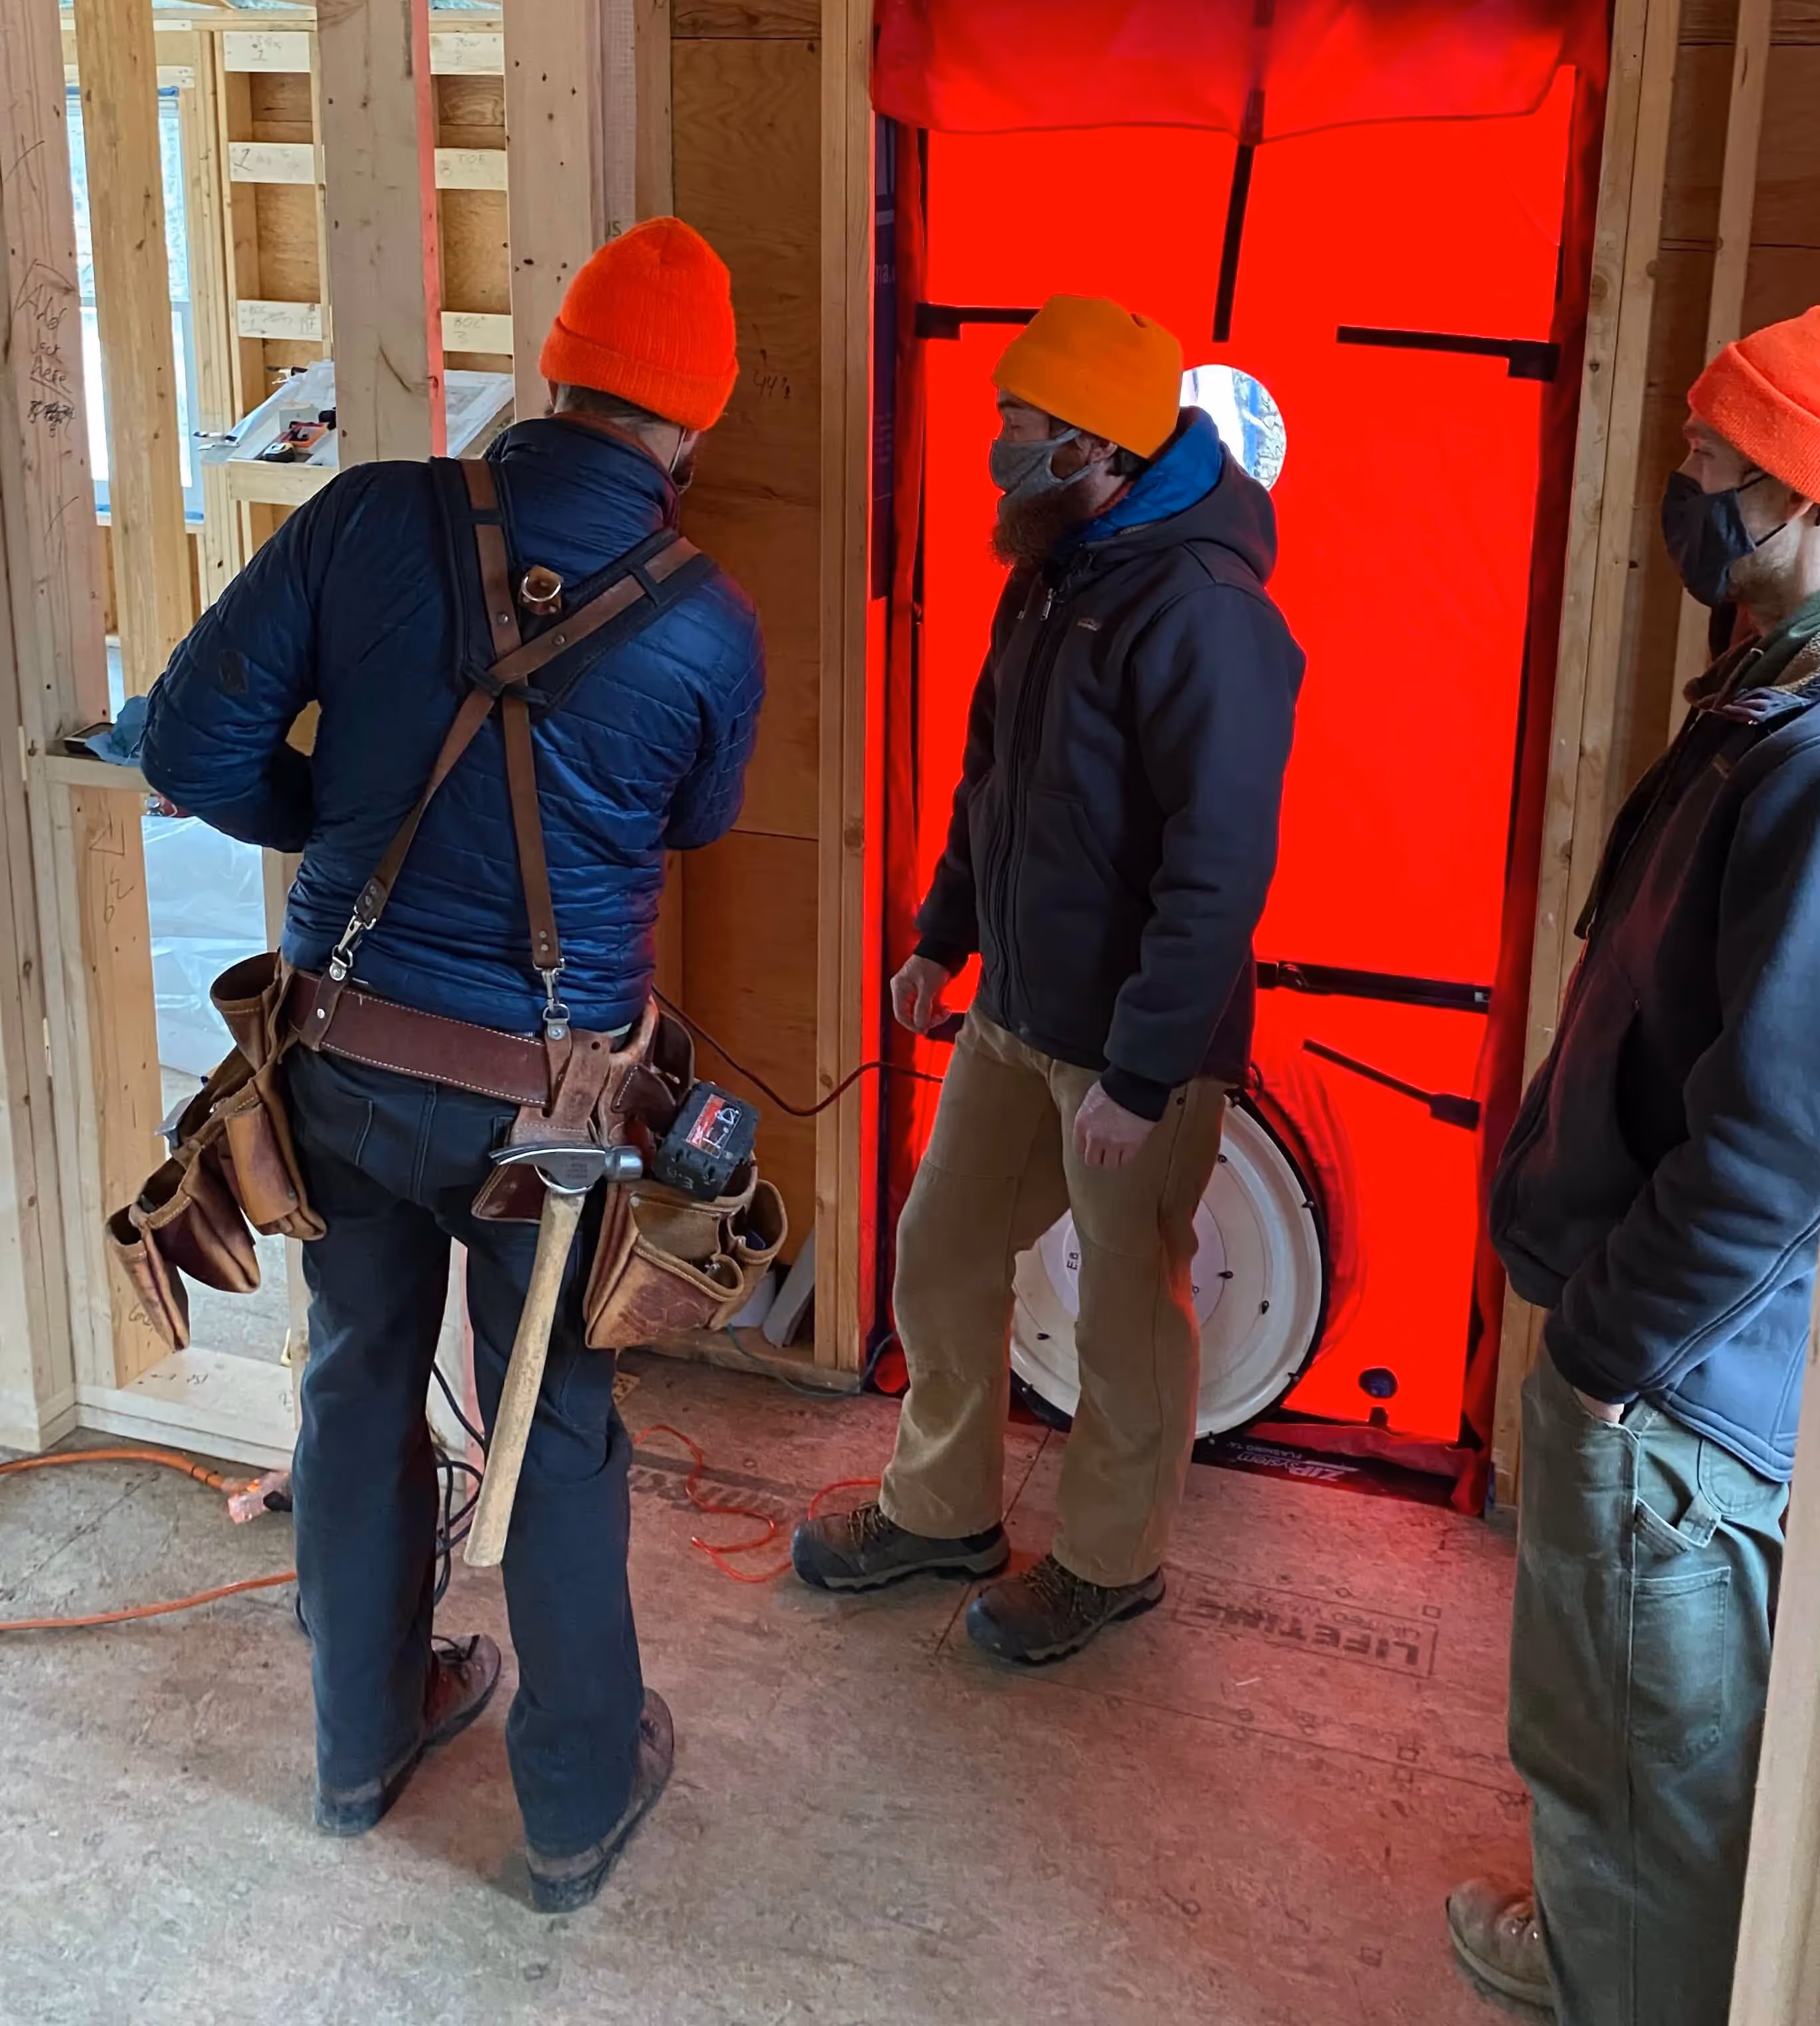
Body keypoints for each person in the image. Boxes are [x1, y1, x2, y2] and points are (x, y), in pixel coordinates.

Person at [139, 217, 764, 1909]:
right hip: (546, 1113)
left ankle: (361, 1745)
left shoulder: (368, 516)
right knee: (551, 1417)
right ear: (693, 430)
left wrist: (340, 830)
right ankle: (568, 1808)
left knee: (353, 1380)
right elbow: (693, 821)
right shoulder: (709, 626)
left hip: (340, 1054)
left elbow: (183, 741)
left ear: (554, 370)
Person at [1448, 288, 1820, 2021]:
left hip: (1673, 1390)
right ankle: (1594, 1948)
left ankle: (1620, 1978)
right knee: (1615, 1735)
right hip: (1671, 1366)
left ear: (1815, 496)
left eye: (1716, 457)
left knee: (1642, 1759)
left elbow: (1780, 1140)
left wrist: (1608, 1356)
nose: (1686, 481)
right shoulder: (1780, 708)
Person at [791, 293, 1304, 1662]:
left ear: (1098, 450)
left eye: (1019, 434)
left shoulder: (1207, 617)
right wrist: (939, 938)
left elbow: (1216, 877)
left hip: (1135, 1054)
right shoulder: (1056, 571)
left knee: (1125, 1304)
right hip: (1016, 1013)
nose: (998, 454)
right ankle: (943, 1510)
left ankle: (1107, 1562)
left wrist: (1140, 1079)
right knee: (942, 1249)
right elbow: (991, 783)